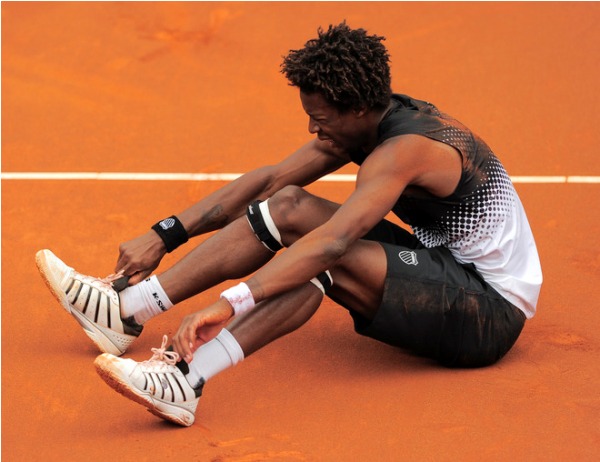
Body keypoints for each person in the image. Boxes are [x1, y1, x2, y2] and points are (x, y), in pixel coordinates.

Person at [36, 22, 542, 427]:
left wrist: (228, 303)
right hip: (445, 267)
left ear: (357, 107)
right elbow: (272, 183)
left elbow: (333, 243)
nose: (312, 127)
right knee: (289, 206)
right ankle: (126, 310)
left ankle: (186, 380)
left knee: (323, 259)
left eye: (321, 118)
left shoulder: (405, 150)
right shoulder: (367, 118)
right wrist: (164, 233)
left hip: (487, 311)